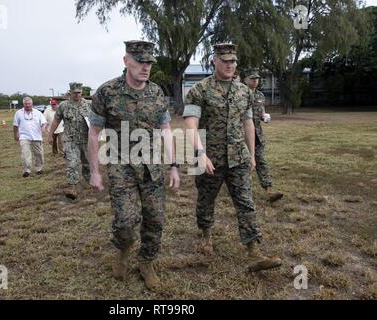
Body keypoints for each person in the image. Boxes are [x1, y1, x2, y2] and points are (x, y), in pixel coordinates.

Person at [88, 40, 180, 290]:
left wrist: (173, 165)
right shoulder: (106, 92)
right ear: (126, 60)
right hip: (120, 167)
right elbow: (94, 133)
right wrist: (95, 172)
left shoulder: (157, 92)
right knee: (126, 222)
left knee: (155, 219)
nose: (145, 67)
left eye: (149, 62)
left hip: (151, 168)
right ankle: (123, 250)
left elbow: (166, 130)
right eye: (139, 61)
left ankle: (146, 262)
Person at [183, 43, 282, 272]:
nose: (230, 65)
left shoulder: (243, 91)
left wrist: (251, 154)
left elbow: (248, 122)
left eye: (233, 61)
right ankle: (206, 234)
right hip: (209, 158)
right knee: (206, 200)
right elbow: (191, 124)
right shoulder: (200, 90)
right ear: (214, 61)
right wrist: (200, 154)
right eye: (225, 60)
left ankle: (254, 250)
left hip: (238, 157)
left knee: (246, 202)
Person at [244, 68, 283, 203]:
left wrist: (265, 118)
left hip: (257, 135)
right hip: (241, 135)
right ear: (246, 79)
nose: (255, 81)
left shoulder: (260, 96)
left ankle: (269, 190)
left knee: (261, 161)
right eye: (252, 78)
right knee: (243, 163)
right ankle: (241, 190)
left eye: (257, 79)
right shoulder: (239, 94)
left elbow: (261, 113)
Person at [48, 83, 91, 199]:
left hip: (86, 139)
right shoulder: (63, 106)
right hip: (69, 139)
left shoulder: (88, 105)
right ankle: (73, 187)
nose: (77, 94)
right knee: (73, 162)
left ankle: (89, 182)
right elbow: (56, 121)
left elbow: (97, 119)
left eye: (79, 92)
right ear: (70, 93)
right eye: (75, 92)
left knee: (87, 163)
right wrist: (50, 134)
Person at [13, 96, 47, 177]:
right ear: (23, 104)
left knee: (39, 154)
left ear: (32, 104)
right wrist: (15, 134)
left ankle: (39, 169)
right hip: (24, 136)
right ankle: (27, 170)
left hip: (36, 136)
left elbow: (44, 122)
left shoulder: (38, 113)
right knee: (25, 154)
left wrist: (43, 127)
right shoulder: (18, 113)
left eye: (29, 104)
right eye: (26, 104)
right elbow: (15, 125)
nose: (27, 105)